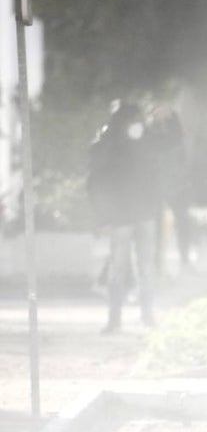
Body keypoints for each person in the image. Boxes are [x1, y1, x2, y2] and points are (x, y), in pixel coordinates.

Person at [87, 101, 162, 333]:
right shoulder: (146, 141)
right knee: (144, 266)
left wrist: (102, 216)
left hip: (123, 214)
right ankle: (144, 317)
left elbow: (96, 181)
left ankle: (117, 319)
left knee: (121, 268)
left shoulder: (109, 143)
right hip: (142, 212)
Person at [148, 104, 194, 273]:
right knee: (156, 224)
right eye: (157, 110)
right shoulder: (152, 131)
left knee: (182, 221)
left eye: (163, 110)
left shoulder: (177, 130)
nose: (160, 113)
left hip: (177, 183)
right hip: (158, 183)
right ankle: (157, 263)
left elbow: (182, 153)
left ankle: (185, 261)